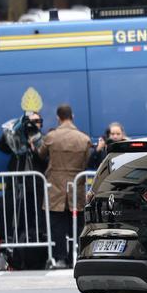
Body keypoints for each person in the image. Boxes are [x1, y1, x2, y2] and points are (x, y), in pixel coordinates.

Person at [38, 104, 92, 268]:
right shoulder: (84, 139)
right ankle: (79, 256)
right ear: (72, 116)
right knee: (78, 225)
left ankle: (60, 258)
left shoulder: (51, 137)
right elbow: (86, 162)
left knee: (58, 226)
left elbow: (41, 155)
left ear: (58, 117)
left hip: (56, 187)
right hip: (76, 185)